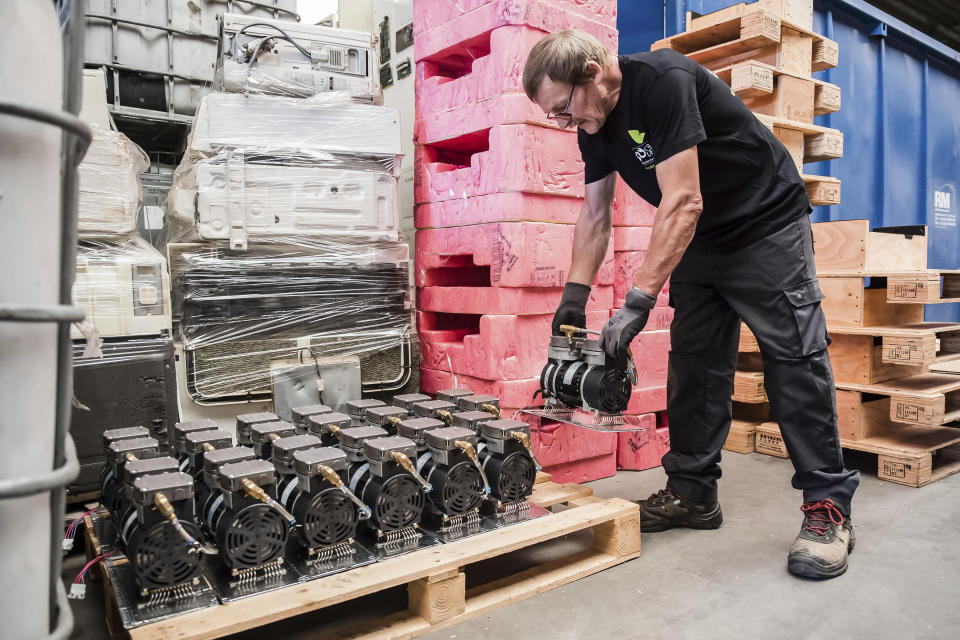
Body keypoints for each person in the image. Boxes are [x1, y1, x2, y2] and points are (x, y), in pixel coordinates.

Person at [522, 29, 860, 579]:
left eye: (564, 109)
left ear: (591, 71)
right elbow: (594, 214)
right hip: (703, 236)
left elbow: (683, 198)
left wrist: (636, 302)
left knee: (793, 359)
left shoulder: (663, 81)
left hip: (764, 222)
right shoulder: (593, 123)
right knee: (695, 364)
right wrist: (574, 297)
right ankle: (693, 494)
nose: (565, 122)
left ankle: (828, 506)